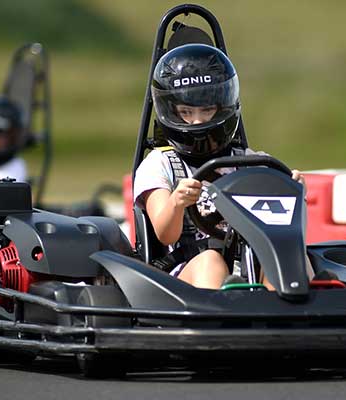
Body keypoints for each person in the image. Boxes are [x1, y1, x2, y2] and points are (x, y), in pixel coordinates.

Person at [134, 44, 313, 289]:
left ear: (224, 107)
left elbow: (285, 230)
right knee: (211, 261)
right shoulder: (159, 164)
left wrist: (293, 191)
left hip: (248, 265)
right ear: (170, 111)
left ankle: (300, 317)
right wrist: (177, 202)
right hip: (185, 275)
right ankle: (222, 320)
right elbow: (165, 235)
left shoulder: (253, 161)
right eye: (186, 111)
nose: (197, 121)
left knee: (291, 260)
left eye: (207, 110)